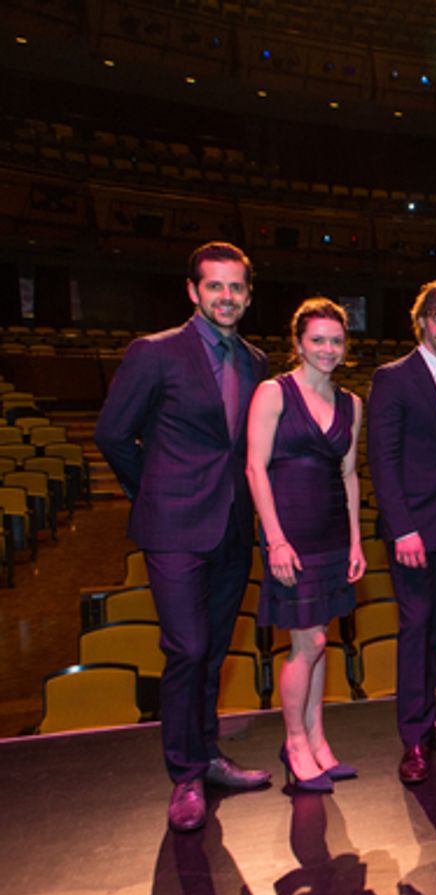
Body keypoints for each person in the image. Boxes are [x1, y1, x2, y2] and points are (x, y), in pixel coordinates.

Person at [94, 241, 272, 832]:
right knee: (187, 649)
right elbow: (114, 434)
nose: (226, 296)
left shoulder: (255, 361)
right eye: (214, 286)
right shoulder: (155, 353)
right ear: (193, 291)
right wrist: (155, 492)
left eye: (236, 287)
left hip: (231, 524)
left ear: (248, 295)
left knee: (215, 652)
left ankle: (209, 756)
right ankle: (185, 776)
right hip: (173, 526)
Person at [246, 299, 365, 790]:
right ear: (297, 344)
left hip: (333, 534)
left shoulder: (353, 403)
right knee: (307, 641)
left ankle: (318, 741)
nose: (328, 349)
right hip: (290, 534)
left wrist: (357, 541)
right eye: (317, 339)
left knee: (321, 642)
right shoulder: (273, 393)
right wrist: (274, 540)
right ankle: (294, 742)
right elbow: (255, 468)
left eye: (336, 340)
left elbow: (350, 472)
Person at [367, 280, 436, 784]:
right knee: (416, 629)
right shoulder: (393, 378)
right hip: (412, 531)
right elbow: (382, 461)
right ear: (422, 321)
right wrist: (402, 528)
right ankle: (412, 737)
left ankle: (429, 720)